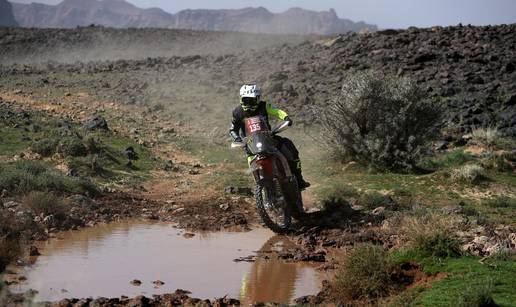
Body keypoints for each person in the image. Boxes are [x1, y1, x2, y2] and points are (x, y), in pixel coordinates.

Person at [229, 84, 310, 190]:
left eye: (252, 100)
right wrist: (237, 138)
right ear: (241, 99)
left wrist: (286, 117)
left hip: (268, 138)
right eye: (246, 100)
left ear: (258, 99)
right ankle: (260, 186)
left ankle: (299, 179)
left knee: (290, 149)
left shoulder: (264, 106)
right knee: (252, 166)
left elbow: (277, 111)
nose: (249, 103)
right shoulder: (237, 112)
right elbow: (232, 129)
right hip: (250, 144)